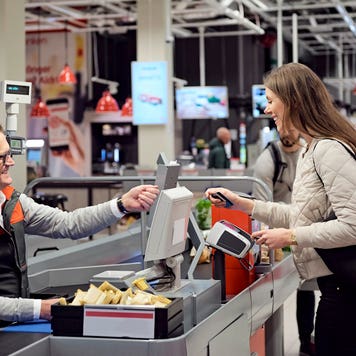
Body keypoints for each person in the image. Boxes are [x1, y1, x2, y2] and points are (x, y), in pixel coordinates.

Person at [205, 63, 356, 356]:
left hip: (345, 292)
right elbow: (302, 214)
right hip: (337, 288)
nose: (266, 109)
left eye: (271, 100)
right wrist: (243, 204)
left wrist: (291, 237)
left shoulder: (328, 149)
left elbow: (353, 225)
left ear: (294, 101)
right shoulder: (311, 149)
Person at [0, 126, 159, 324]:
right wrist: (37, 309)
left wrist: (121, 205)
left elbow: (68, 223)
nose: (11, 162)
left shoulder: (13, 203)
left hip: (12, 324)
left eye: (10, 154)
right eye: (3, 157)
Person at [253, 128, 316, 356]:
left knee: (310, 285)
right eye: (282, 126)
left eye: (292, 125)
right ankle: (300, 343)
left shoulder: (310, 152)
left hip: (308, 227)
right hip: (280, 234)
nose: (287, 131)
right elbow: (260, 206)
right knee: (290, 288)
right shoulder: (267, 160)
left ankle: (305, 345)